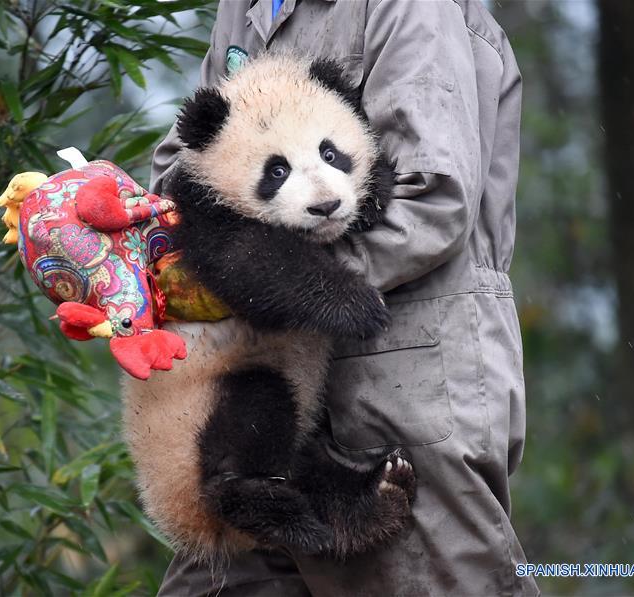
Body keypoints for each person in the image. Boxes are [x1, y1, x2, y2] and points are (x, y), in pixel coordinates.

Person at [148, 1, 539, 595]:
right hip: (256, 396)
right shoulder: (246, 8)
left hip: (404, 373)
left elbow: (433, 201)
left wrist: (270, 281)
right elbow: (188, 164)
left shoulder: (409, 9)